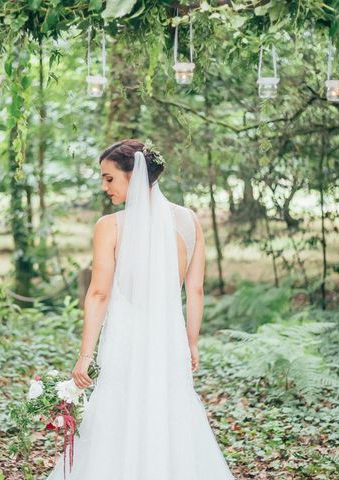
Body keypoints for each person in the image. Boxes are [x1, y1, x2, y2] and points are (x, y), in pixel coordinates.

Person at [44, 139, 235, 479]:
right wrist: (191, 342)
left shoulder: (111, 226)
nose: (104, 187)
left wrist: (85, 355)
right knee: (169, 415)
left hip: (126, 340)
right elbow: (195, 289)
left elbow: (99, 293)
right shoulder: (189, 221)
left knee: (121, 416)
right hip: (169, 340)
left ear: (134, 175)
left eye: (109, 178)